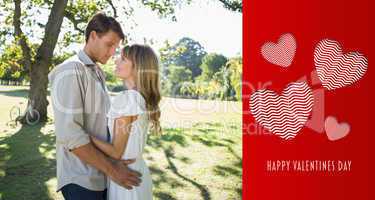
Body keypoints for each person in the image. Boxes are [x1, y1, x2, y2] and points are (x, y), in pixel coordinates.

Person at [48, 13, 141, 200]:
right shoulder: (71, 70)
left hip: (101, 175)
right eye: (109, 44)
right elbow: (69, 134)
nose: (112, 52)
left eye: (116, 47)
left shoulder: (97, 71)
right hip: (82, 179)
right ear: (93, 36)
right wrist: (113, 170)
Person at [90, 44, 161, 200]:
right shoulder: (138, 97)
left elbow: (116, 151)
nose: (116, 61)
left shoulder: (128, 98)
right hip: (136, 173)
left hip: (126, 179)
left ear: (137, 68)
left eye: (122, 59)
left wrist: (83, 135)